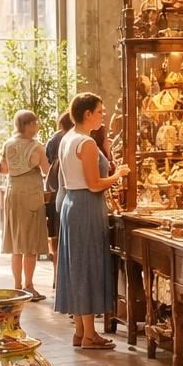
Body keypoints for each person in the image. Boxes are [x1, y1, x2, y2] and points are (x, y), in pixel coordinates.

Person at [54, 93, 128, 349]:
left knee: (78, 267)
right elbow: (94, 184)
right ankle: (89, 335)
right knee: (87, 267)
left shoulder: (67, 138)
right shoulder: (84, 143)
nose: (103, 115)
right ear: (87, 114)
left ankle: (80, 331)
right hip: (85, 205)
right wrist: (118, 175)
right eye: (100, 111)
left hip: (72, 203)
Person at [0, 109, 52, 301]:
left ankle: (17, 286)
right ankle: (29, 286)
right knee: (30, 245)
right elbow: (47, 170)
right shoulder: (37, 147)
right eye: (35, 123)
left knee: (16, 243)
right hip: (31, 195)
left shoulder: (8, 144)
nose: (37, 126)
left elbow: (3, 169)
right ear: (28, 125)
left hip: (13, 194)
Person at [44, 111, 74, 284]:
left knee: (56, 235)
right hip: (68, 190)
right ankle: (64, 279)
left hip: (56, 191)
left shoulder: (55, 139)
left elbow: (47, 161)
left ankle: (57, 277)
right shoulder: (75, 139)